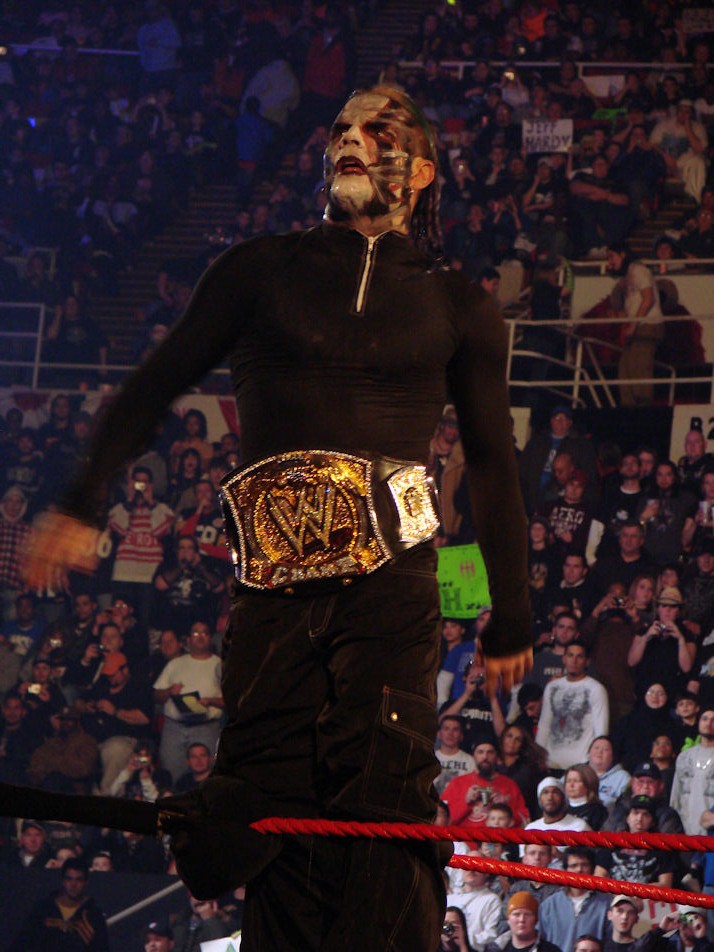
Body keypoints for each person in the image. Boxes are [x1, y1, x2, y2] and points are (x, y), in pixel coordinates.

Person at [23, 85, 533, 952]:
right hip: (273, 587)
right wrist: (81, 499)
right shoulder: (258, 270)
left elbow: (491, 462)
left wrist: (510, 614)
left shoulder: (457, 303)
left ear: (420, 172)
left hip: (393, 586)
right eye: (341, 127)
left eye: (378, 129)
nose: (352, 138)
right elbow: (156, 381)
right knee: (266, 806)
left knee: (382, 796)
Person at [8, 856, 109, 952]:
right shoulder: (44, 910)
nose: (73, 884)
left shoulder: (93, 915)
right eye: (69, 879)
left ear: (85, 882)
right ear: (63, 881)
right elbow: (22, 943)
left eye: (79, 879)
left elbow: (102, 948)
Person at [605, 244, 663, 407]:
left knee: (639, 369)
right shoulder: (627, 276)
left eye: (611, 256)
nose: (609, 262)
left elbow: (648, 299)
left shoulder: (638, 270)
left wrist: (633, 325)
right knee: (625, 371)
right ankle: (629, 409)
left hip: (648, 325)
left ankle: (643, 410)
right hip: (636, 327)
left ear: (622, 255)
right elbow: (633, 304)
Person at [536, 641, 609, 769]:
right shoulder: (552, 687)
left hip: (581, 764)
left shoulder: (596, 689)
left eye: (579, 656)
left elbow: (601, 731)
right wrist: (537, 757)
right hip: (550, 762)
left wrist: (594, 763)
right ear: (564, 658)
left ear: (587, 661)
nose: (574, 661)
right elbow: (544, 725)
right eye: (570, 655)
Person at [441, 739, 529, 828]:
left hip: (497, 836)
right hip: (463, 836)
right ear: (473, 756)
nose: (485, 757)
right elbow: (443, 821)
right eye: (480, 752)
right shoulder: (457, 783)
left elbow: (525, 822)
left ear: (497, 757)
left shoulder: (509, 785)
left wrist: (505, 807)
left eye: (490, 752)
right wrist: (466, 802)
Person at [538, 848, 610, 951]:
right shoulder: (549, 905)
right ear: (565, 871)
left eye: (584, 865)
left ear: (592, 869)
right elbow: (539, 942)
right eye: (573, 866)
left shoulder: (606, 904)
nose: (579, 870)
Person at [670, 708, 714, 835]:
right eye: (705, 719)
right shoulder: (685, 756)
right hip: (685, 828)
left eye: (713, 720)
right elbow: (676, 794)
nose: (708, 723)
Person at [486, 891, 561, 952]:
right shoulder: (494, 949)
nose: (521, 919)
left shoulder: (551, 950)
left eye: (527, 914)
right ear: (508, 919)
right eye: (516, 914)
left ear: (535, 919)